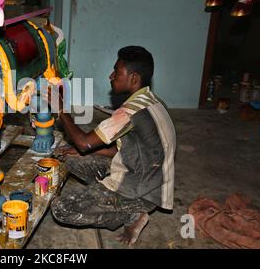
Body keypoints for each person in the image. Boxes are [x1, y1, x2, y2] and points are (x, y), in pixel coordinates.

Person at [46, 46, 176, 246]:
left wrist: (61, 110)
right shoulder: (153, 101)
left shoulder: (129, 112)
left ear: (133, 78)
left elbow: (84, 142)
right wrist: (83, 151)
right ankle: (112, 201)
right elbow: (126, 150)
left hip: (142, 192)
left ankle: (130, 214)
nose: (111, 76)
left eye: (117, 71)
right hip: (148, 178)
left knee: (61, 209)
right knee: (70, 156)